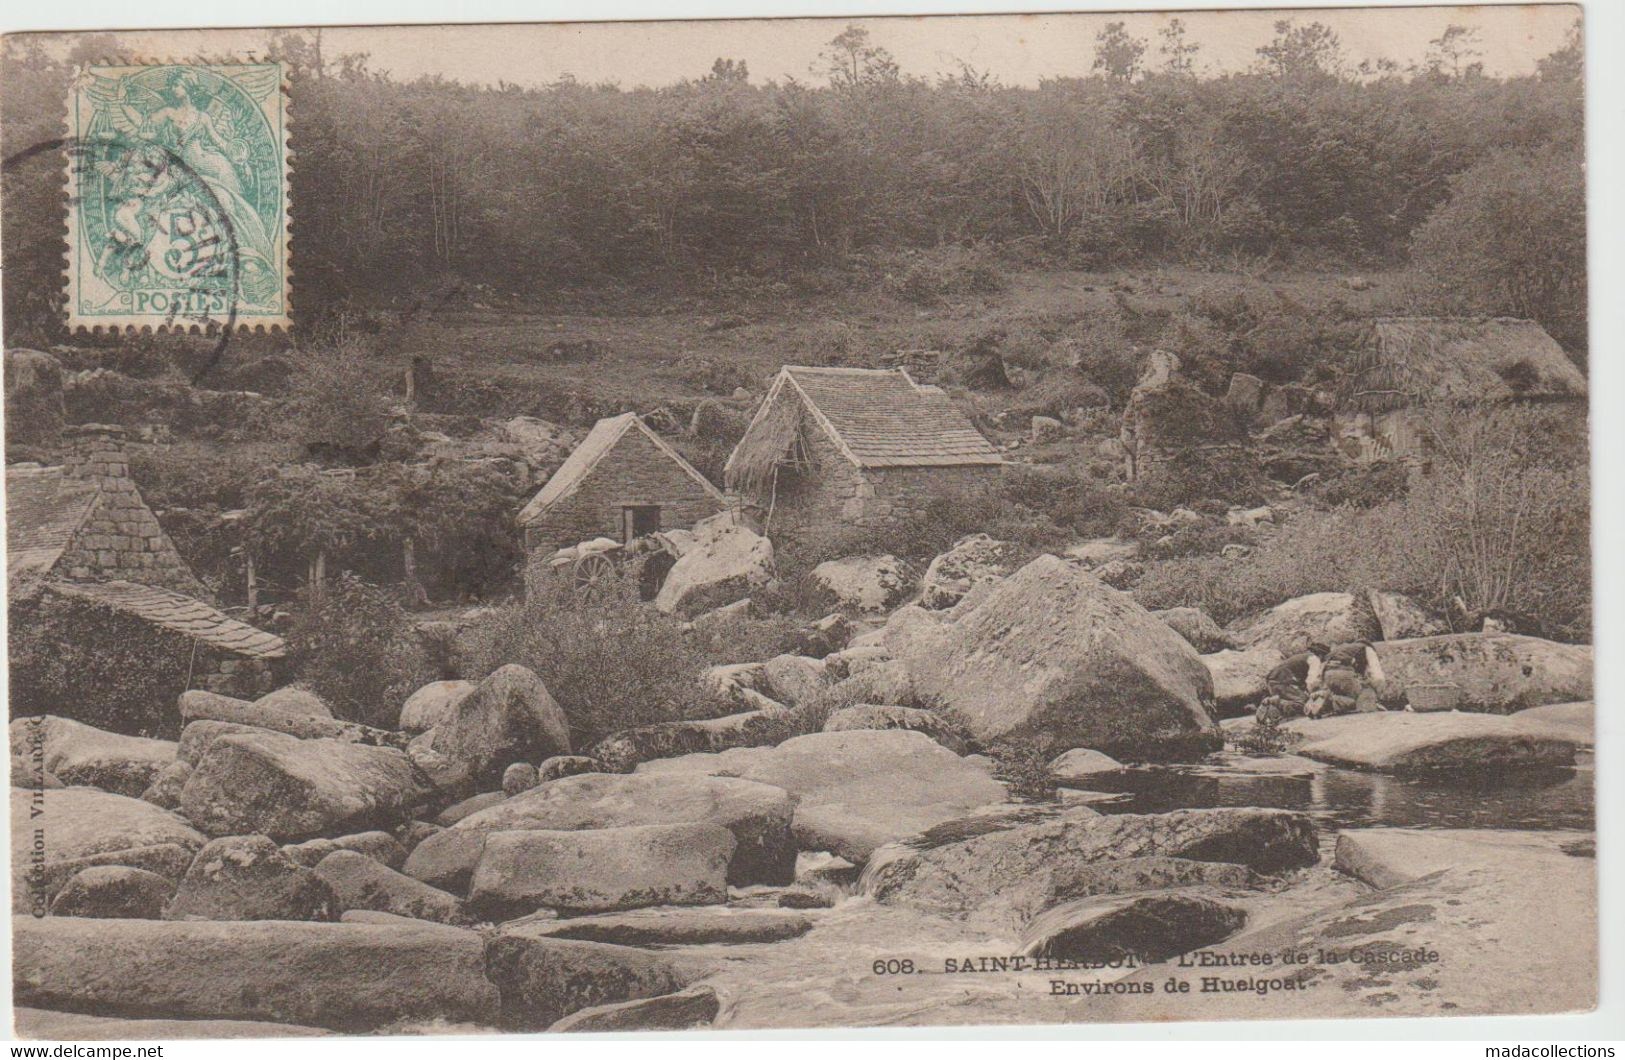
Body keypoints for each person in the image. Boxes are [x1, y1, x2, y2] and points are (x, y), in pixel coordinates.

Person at [1305, 640, 1386, 718]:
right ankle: (1328, 697)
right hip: (1343, 673)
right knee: (1357, 699)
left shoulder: (1343, 649)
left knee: (1342, 695)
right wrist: (1378, 692)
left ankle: (1324, 701)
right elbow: (1377, 674)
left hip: (1327, 673)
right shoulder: (1367, 648)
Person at [1256, 641, 1330, 726]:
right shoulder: (1314, 659)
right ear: (1321, 654)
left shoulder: (1304, 657)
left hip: (1275, 681)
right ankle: (1273, 702)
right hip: (1283, 682)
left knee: (1295, 702)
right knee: (1303, 704)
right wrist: (1314, 695)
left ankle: (1271, 708)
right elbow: (1311, 682)